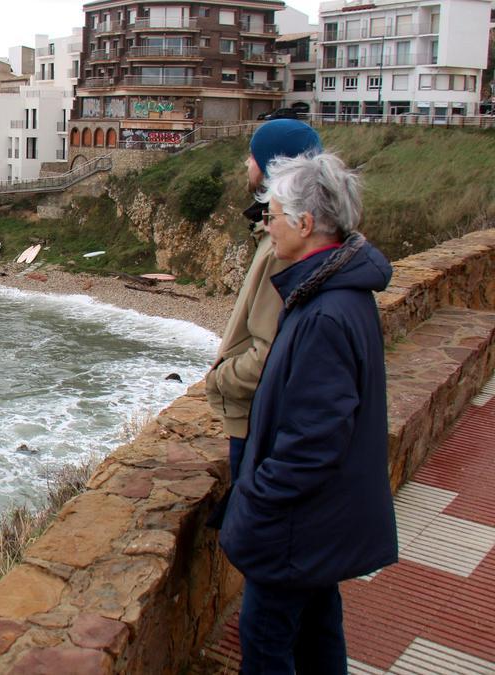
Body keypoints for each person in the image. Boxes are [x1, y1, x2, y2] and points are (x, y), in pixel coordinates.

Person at [218, 152, 398, 673]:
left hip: (298, 526)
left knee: (266, 641)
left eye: (273, 215)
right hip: (323, 520)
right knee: (319, 632)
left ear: (305, 224)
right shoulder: (339, 291)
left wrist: (253, 503)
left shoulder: (325, 313)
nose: (267, 225)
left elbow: (314, 440)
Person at [206, 119, 322, 521]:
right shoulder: (281, 235)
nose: (245, 163)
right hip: (265, 416)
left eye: (253, 155)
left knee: (254, 531)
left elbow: (271, 350)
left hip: (256, 418)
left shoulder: (282, 247)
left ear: (273, 165)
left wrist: (221, 379)